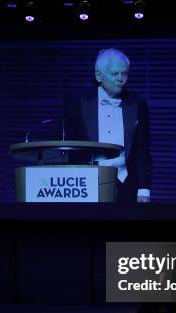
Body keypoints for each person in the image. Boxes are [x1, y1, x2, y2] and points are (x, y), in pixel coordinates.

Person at [62, 48, 152, 203]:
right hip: (86, 184)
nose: (120, 79)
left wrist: (144, 189)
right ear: (98, 75)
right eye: (114, 74)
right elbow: (66, 147)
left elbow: (142, 150)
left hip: (126, 184)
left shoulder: (137, 103)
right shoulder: (78, 102)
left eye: (124, 74)